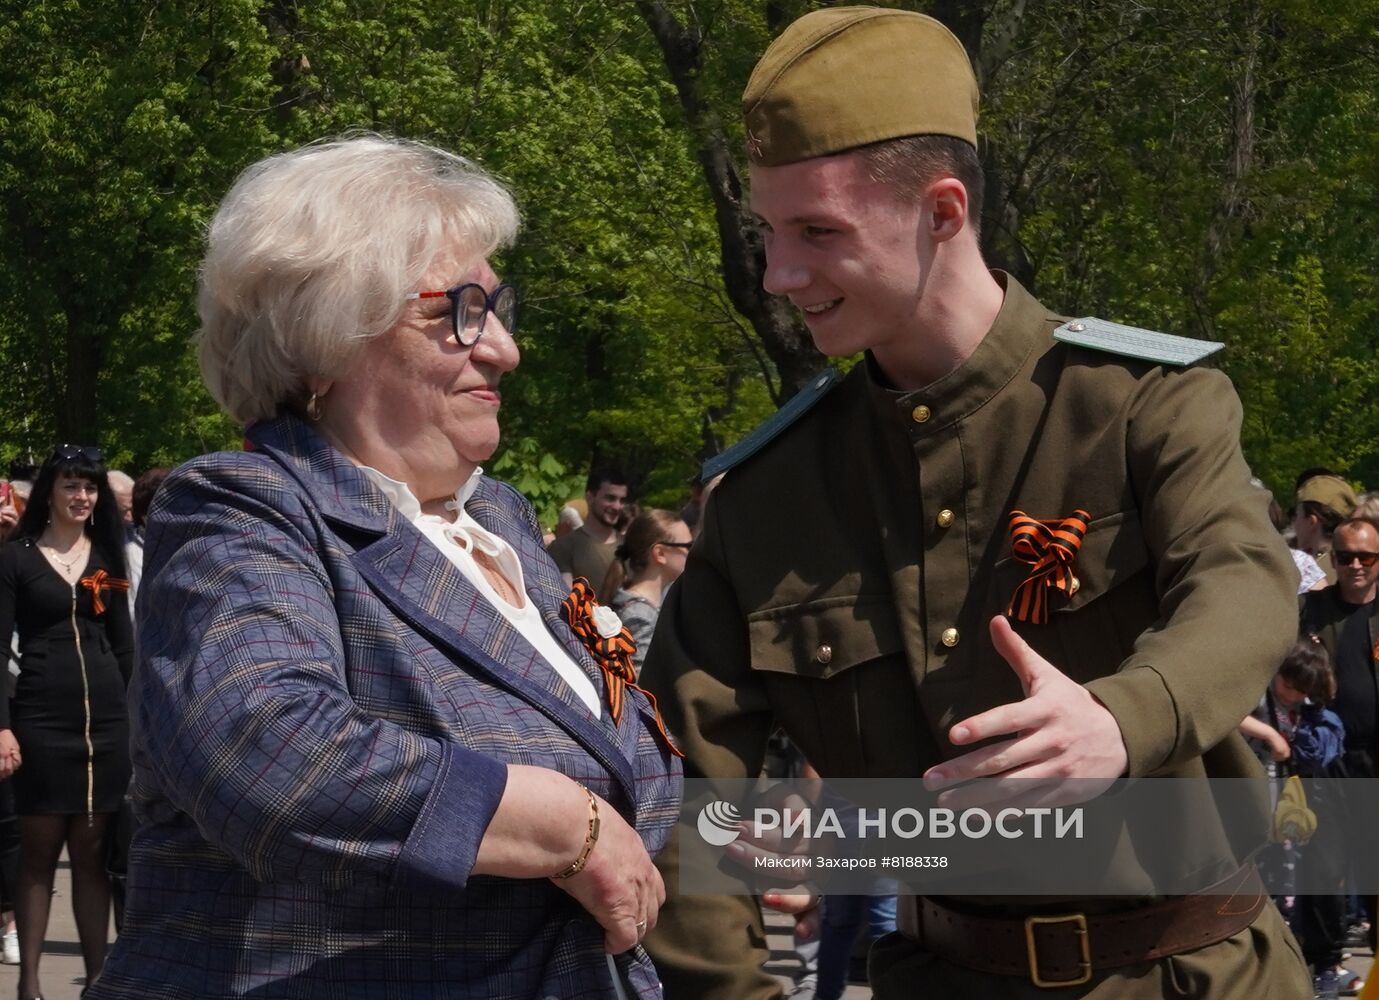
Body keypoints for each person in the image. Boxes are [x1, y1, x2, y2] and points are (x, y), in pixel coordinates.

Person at [641, 8, 1309, 998]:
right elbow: (686, 791)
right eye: (770, 234)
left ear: (941, 211)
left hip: (1195, 973)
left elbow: (1242, 584)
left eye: (816, 232)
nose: (778, 276)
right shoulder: (767, 498)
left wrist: (1121, 720)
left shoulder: (1137, 405)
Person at [88, 136, 682, 999]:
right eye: (462, 310)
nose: (506, 349)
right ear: (330, 336)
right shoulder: (247, 505)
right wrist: (567, 825)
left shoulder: (499, 522)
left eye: (500, 307)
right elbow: (267, 747)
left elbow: (636, 754)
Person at [0, 444, 133, 1000]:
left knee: (92, 857)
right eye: (72, 486)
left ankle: (97, 983)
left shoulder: (105, 559)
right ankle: (29, 985)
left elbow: (122, 645)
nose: (82, 496)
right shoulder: (16, 558)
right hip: (38, 719)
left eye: (90, 487)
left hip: (105, 726)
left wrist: (133, 717)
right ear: (49, 492)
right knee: (37, 854)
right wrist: (2, 726)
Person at [1297, 518, 1379, 995]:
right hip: (1325, 761)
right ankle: (1324, 965)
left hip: (1374, 761)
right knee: (1324, 868)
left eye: (1365, 557)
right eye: (1345, 556)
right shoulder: (1309, 611)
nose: (1354, 566)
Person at [601, 510, 692, 672]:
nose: (692, 552)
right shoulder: (639, 615)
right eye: (687, 546)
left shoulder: (655, 601)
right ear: (660, 553)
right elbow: (641, 686)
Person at [548, 467, 630, 593]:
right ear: (590, 497)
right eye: (610, 498)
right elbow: (564, 601)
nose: (617, 506)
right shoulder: (563, 547)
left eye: (622, 500)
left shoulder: (630, 547)